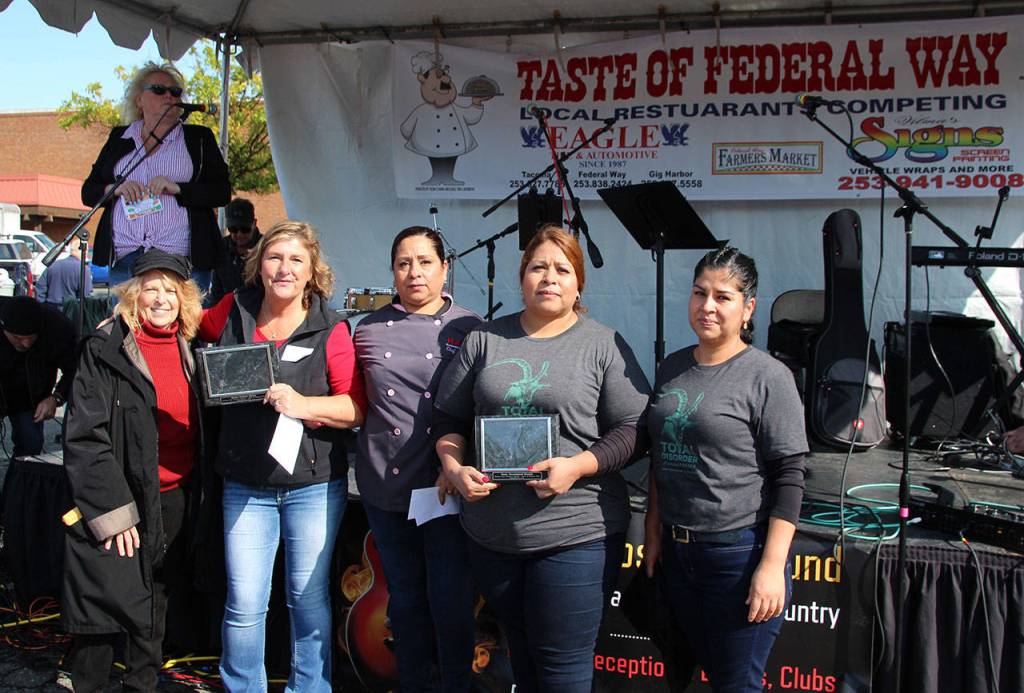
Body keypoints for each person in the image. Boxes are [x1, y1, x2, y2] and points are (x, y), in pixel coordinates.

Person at [433, 225, 650, 692]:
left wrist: (578, 466)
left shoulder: (603, 344)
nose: (549, 277)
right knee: (522, 663)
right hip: (493, 538)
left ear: (578, 284)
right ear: (522, 277)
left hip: (575, 536)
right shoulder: (484, 340)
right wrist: (452, 465)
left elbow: (636, 432)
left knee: (564, 675)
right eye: (538, 267)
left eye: (562, 269)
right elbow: (448, 419)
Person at [198, 220, 366, 692]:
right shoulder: (234, 309)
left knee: (306, 598)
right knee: (246, 602)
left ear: (313, 270)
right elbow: (187, 322)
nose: (284, 268)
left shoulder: (331, 328)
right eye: (274, 257)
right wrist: (125, 316)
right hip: (245, 483)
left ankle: (308, 687)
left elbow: (354, 407)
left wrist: (304, 404)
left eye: (296, 259)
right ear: (258, 264)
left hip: (311, 487)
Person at [642, 247, 808, 693]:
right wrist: (654, 529)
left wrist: (772, 565)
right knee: (687, 675)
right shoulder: (673, 366)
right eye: (699, 293)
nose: (707, 307)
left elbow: (790, 476)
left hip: (736, 556)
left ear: (748, 307)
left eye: (723, 296)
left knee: (735, 684)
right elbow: (661, 452)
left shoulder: (768, 376)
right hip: (678, 556)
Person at [61, 249, 206, 692]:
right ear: (132, 296)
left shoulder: (195, 350)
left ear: (185, 300)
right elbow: (86, 438)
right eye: (151, 289)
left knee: (155, 603)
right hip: (122, 498)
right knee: (103, 609)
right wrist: (114, 510)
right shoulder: (104, 350)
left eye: (171, 291)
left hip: (175, 497)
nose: (161, 299)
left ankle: (142, 685)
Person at [353, 226, 480, 691]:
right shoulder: (365, 329)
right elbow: (351, 398)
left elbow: (480, 406)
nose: (415, 272)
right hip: (386, 485)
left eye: (425, 262)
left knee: (450, 599)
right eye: (404, 263)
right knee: (403, 601)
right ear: (392, 271)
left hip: (446, 487)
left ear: (445, 268)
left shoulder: (471, 328)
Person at [81, 62, 231, 292]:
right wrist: (116, 188)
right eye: (160, 90)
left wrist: (179, 188)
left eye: (176, 92)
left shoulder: (198, 139)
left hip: (182, 256)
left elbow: (222, 191)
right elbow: (88, 192)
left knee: (185, 326)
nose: (169, 96)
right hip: (126, 255)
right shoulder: (119, 138)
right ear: (139, 99)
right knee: (125, 326)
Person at [0, 296, 76, 458]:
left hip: (30, 399)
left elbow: (75, 369)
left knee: (30, 445)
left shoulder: (58, 328)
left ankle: (20, 481)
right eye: (18, 338)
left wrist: (56, 397)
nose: (26, 344)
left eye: (31, 337)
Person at [208, 197, 261, 305]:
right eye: (233, 229)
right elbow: (216, 291)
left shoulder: (266, 247)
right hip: (228, 311)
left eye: (245, 229)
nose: (239, 234)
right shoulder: (221, 247)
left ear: (254, 224)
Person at [36, 240, 92, 306]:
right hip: (71, 310)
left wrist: (43, 307)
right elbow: (85, 296)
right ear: (84, 251)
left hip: (51, 309)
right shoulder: (83, 269)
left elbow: (40, 288)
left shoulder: (53, 265)